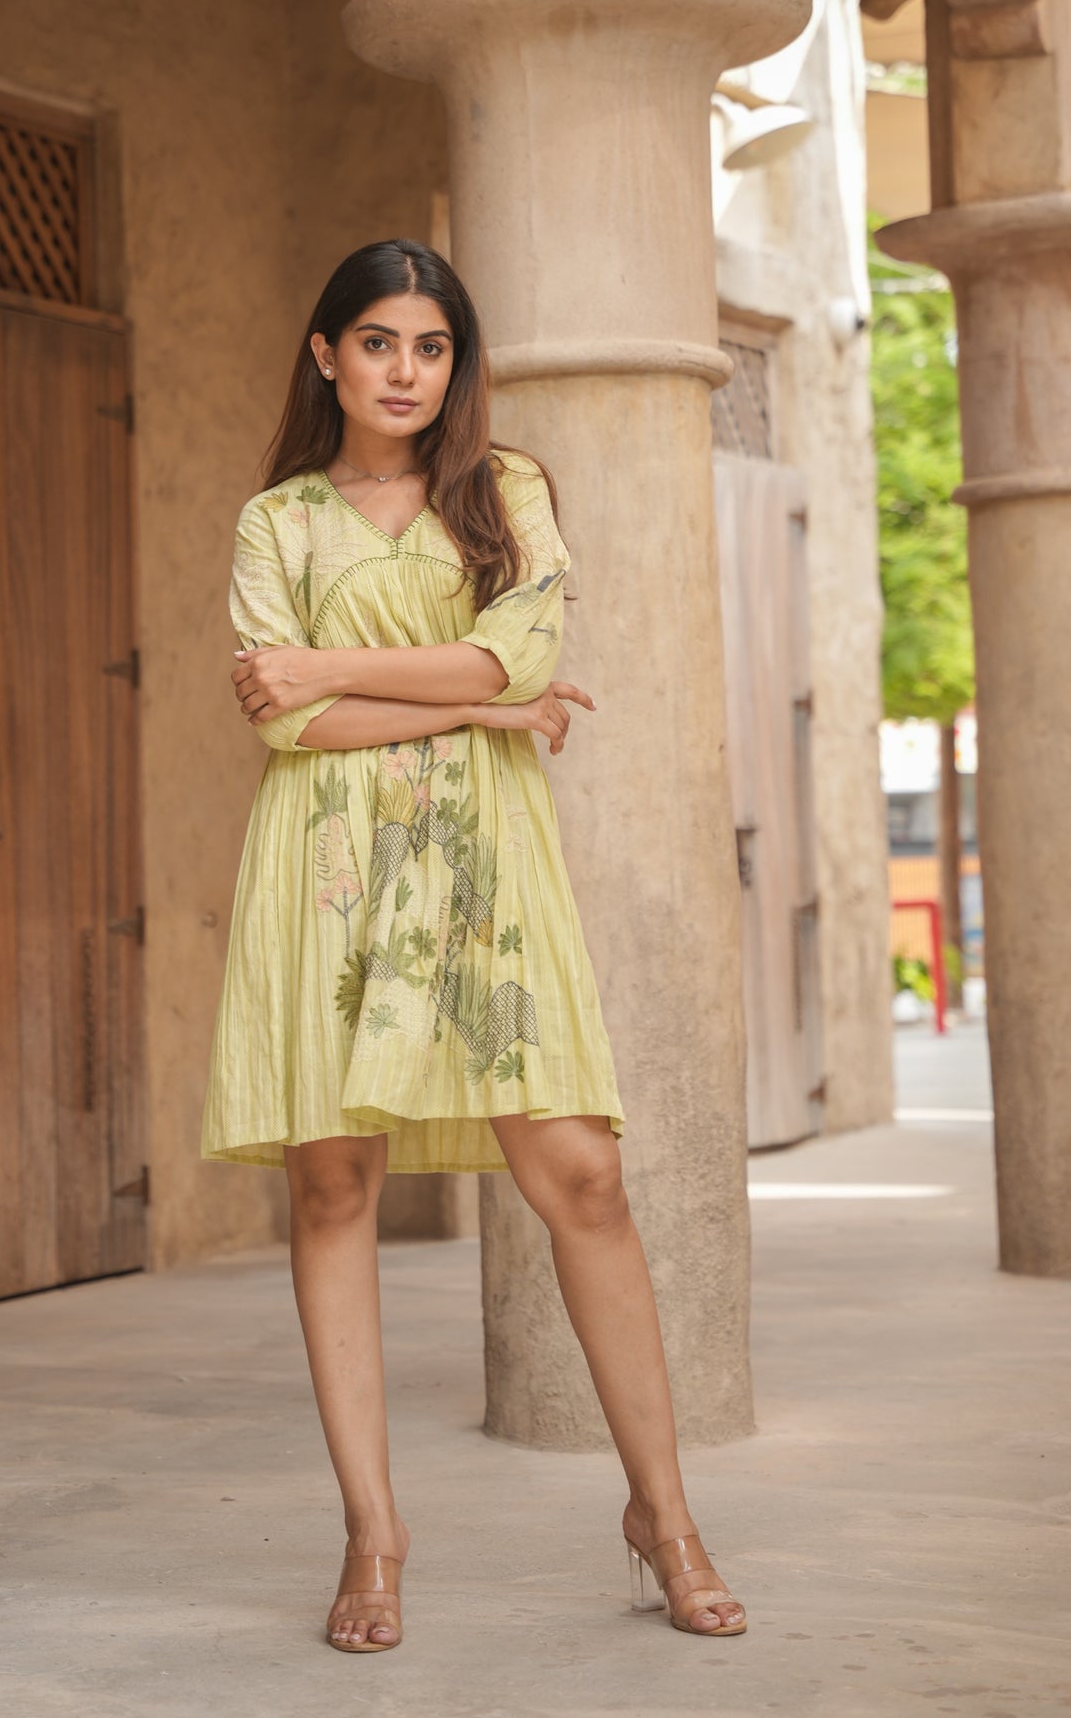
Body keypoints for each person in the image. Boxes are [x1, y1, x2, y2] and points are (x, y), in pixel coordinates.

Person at [201, 238, 747, 1652]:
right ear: (325, 355)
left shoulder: (507, 493)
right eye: (375, 341)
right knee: (333, 1189)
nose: (403, 370)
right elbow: (285, 728)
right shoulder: (277, 522)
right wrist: (474, 706)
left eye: (428, 346)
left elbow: (502, 657)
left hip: (483, 872)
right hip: (322, 870)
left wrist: (336, 666)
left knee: (582, 1175)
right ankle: (372, 1532)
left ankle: (662, 1513)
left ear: (456, 362)